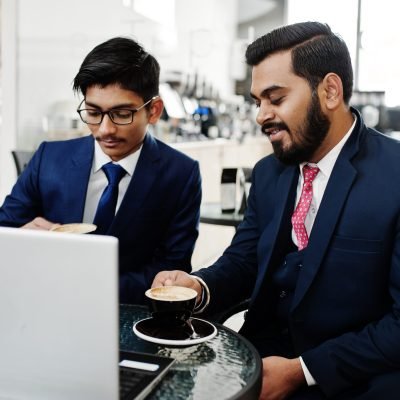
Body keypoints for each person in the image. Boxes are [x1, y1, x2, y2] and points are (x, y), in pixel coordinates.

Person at [152, 21, 400, 399]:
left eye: (276, 98)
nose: (260, 115)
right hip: (256, 362)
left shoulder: (394, 175)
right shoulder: (270, 172)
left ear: (330, 91)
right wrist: (197, 288)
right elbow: (244, 261)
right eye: (257, 101)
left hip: (352, 378)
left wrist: (303, 372)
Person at [0, 37, 202, 305]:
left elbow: (170, 270)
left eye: (121, 114)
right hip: (43, 302)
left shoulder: (181, 174)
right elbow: (5, 230)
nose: (105, 129)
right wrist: (21, 239)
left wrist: (84, 287)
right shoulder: (49, 158)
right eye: (93, 112)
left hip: (129, 315)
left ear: (153, 111)